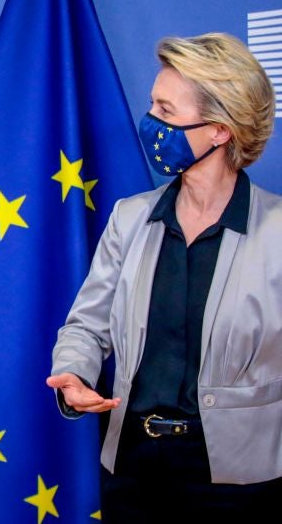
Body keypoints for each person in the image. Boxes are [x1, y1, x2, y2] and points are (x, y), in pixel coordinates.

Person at [46, 32, 282, 521]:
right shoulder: (129, 218)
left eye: (165, 110)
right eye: (152, 104)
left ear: (220, 131)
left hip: (243, 482)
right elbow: (86, 326)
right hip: (132, 471)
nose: (149, 121)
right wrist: (74, 372)